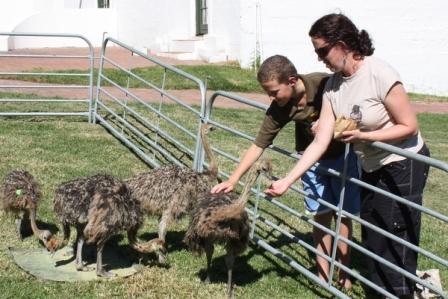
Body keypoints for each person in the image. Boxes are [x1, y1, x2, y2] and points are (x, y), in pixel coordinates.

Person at [265, 13, 430, 299]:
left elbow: (409, 126)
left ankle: (400, 292)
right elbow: (319, 142)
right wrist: (287, 181)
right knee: (374, 239)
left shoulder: (379, 73)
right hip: (370, 164)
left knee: (394, 239)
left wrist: (366, 137)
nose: (319, 59)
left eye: (322, 50)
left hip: (403, 163)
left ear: (341, 44)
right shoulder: (333, 86)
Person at [211, 54, 360, 288]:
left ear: (291, 81)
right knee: (321, 216)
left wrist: (328, 121)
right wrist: (234, 179)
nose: (271, 98)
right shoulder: (280, 107)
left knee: (343, 216)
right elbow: (259, 144)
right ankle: (323, 277)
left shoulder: (324, 84)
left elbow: (355, 107)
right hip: (310, 162)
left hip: (343, 157)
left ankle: (344, 273)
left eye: (273, 92)